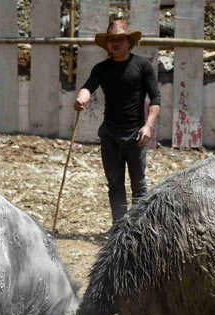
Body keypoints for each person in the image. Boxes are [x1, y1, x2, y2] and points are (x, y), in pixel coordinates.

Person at [75, 19, 161, 226]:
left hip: (136, 134)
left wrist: (148, 125)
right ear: (106, 43)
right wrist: (81, 98)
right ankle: (119, 228)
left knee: (138, 184)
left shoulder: (142, 66)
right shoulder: (102, 69)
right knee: (115, 183)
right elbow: (88, 86)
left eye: (120, 39)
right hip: (110, 133)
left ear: (128, 41)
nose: (116, 43)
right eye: (111, 39)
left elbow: (156, 98)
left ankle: (140, 229)